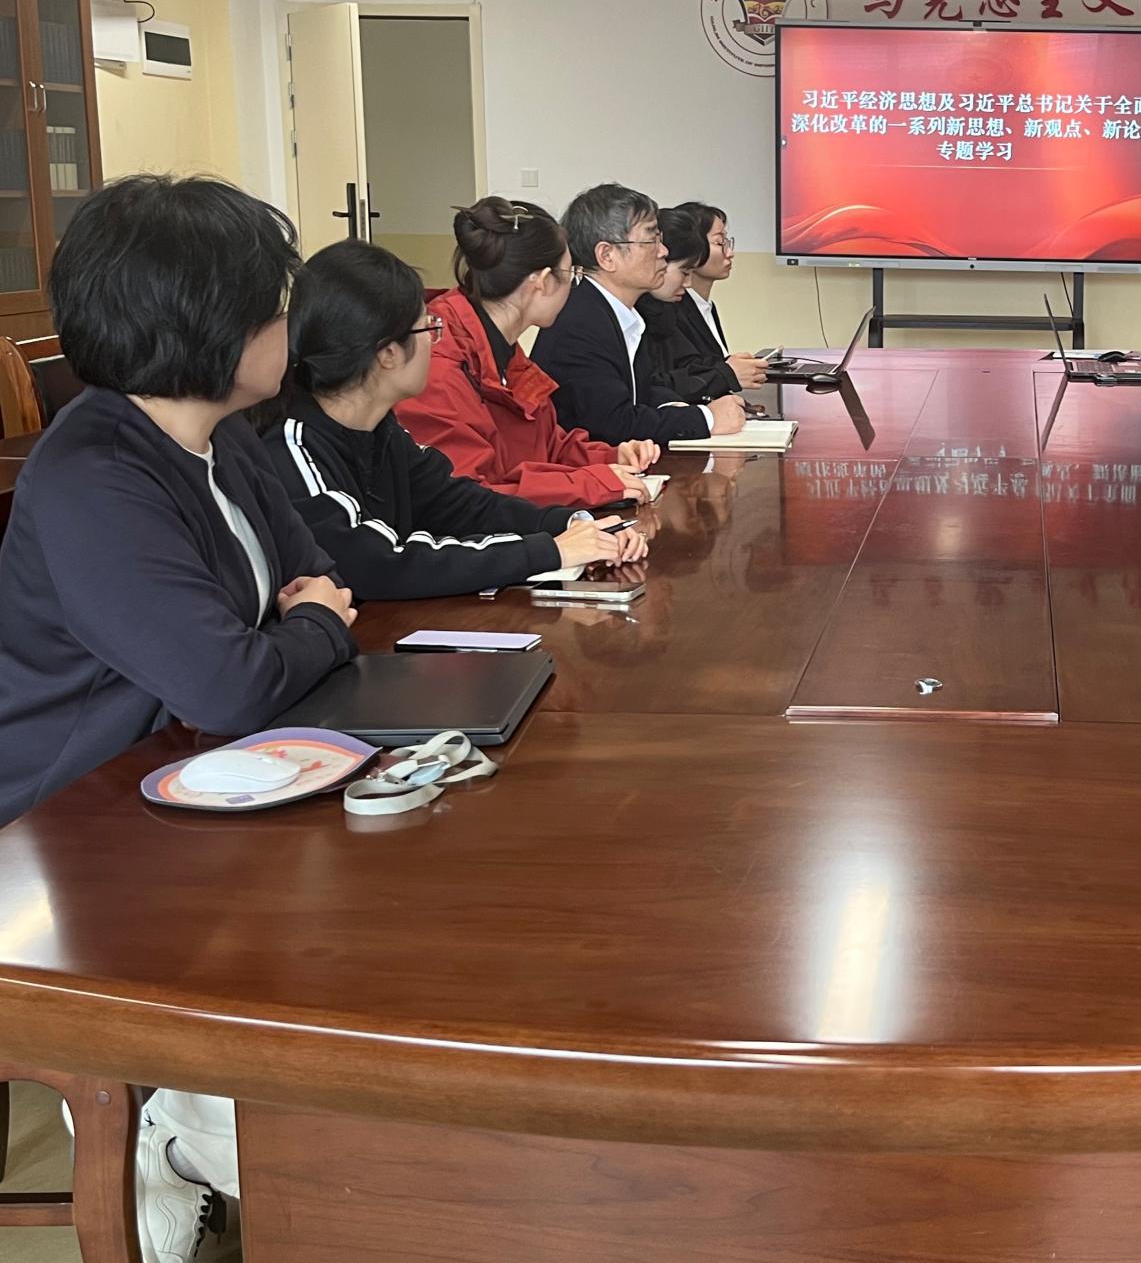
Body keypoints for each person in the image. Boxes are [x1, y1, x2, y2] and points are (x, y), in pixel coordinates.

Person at [0, 175, 361, 1262]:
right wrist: (310, 629)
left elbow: (316, 573)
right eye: (274, 305)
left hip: (198, 774)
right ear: (212, 325)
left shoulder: (225, 435)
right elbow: (234, 677)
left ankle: (207, 1114)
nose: (289, 326)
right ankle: (164, 1121)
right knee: (326, 1118)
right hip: (70, 819)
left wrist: (302, 625)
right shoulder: (93, 474)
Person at [261, 240, 647, 600]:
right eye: (428, 327)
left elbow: (459, 504)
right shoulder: (294, 443)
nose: (435, 341)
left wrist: (571, 524)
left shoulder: (381, 429)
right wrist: (549, 551)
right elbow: (376, 563)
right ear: (387, 353)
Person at [393, 197, 662, 508]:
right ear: (543, 282)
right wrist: (590, 484)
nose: (573, 286)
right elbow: (470, 497)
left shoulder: (500, 347)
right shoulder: (438, 363)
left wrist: (611, 457)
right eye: (571, 274)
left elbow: (546, 447)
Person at [532, 183, 747, 444]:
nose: (663, 251)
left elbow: (645, 389)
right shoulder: (581, 323)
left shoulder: (622, 312)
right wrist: (707, 419)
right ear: (607, 255)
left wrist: (674, 405)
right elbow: (614, 424)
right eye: (651, 240)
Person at [640, 206, 765, 403]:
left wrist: (729, 368)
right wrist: (725, 373)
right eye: (719, 242)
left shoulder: (691, 307)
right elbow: (656, 388)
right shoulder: (658, 312)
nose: (730, 253)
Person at [676, 199, 769, 394]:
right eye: (719, 243)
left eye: (727, 242)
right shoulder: (674, 310)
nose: (730, 253)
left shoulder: (705, 306)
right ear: (691, 248)